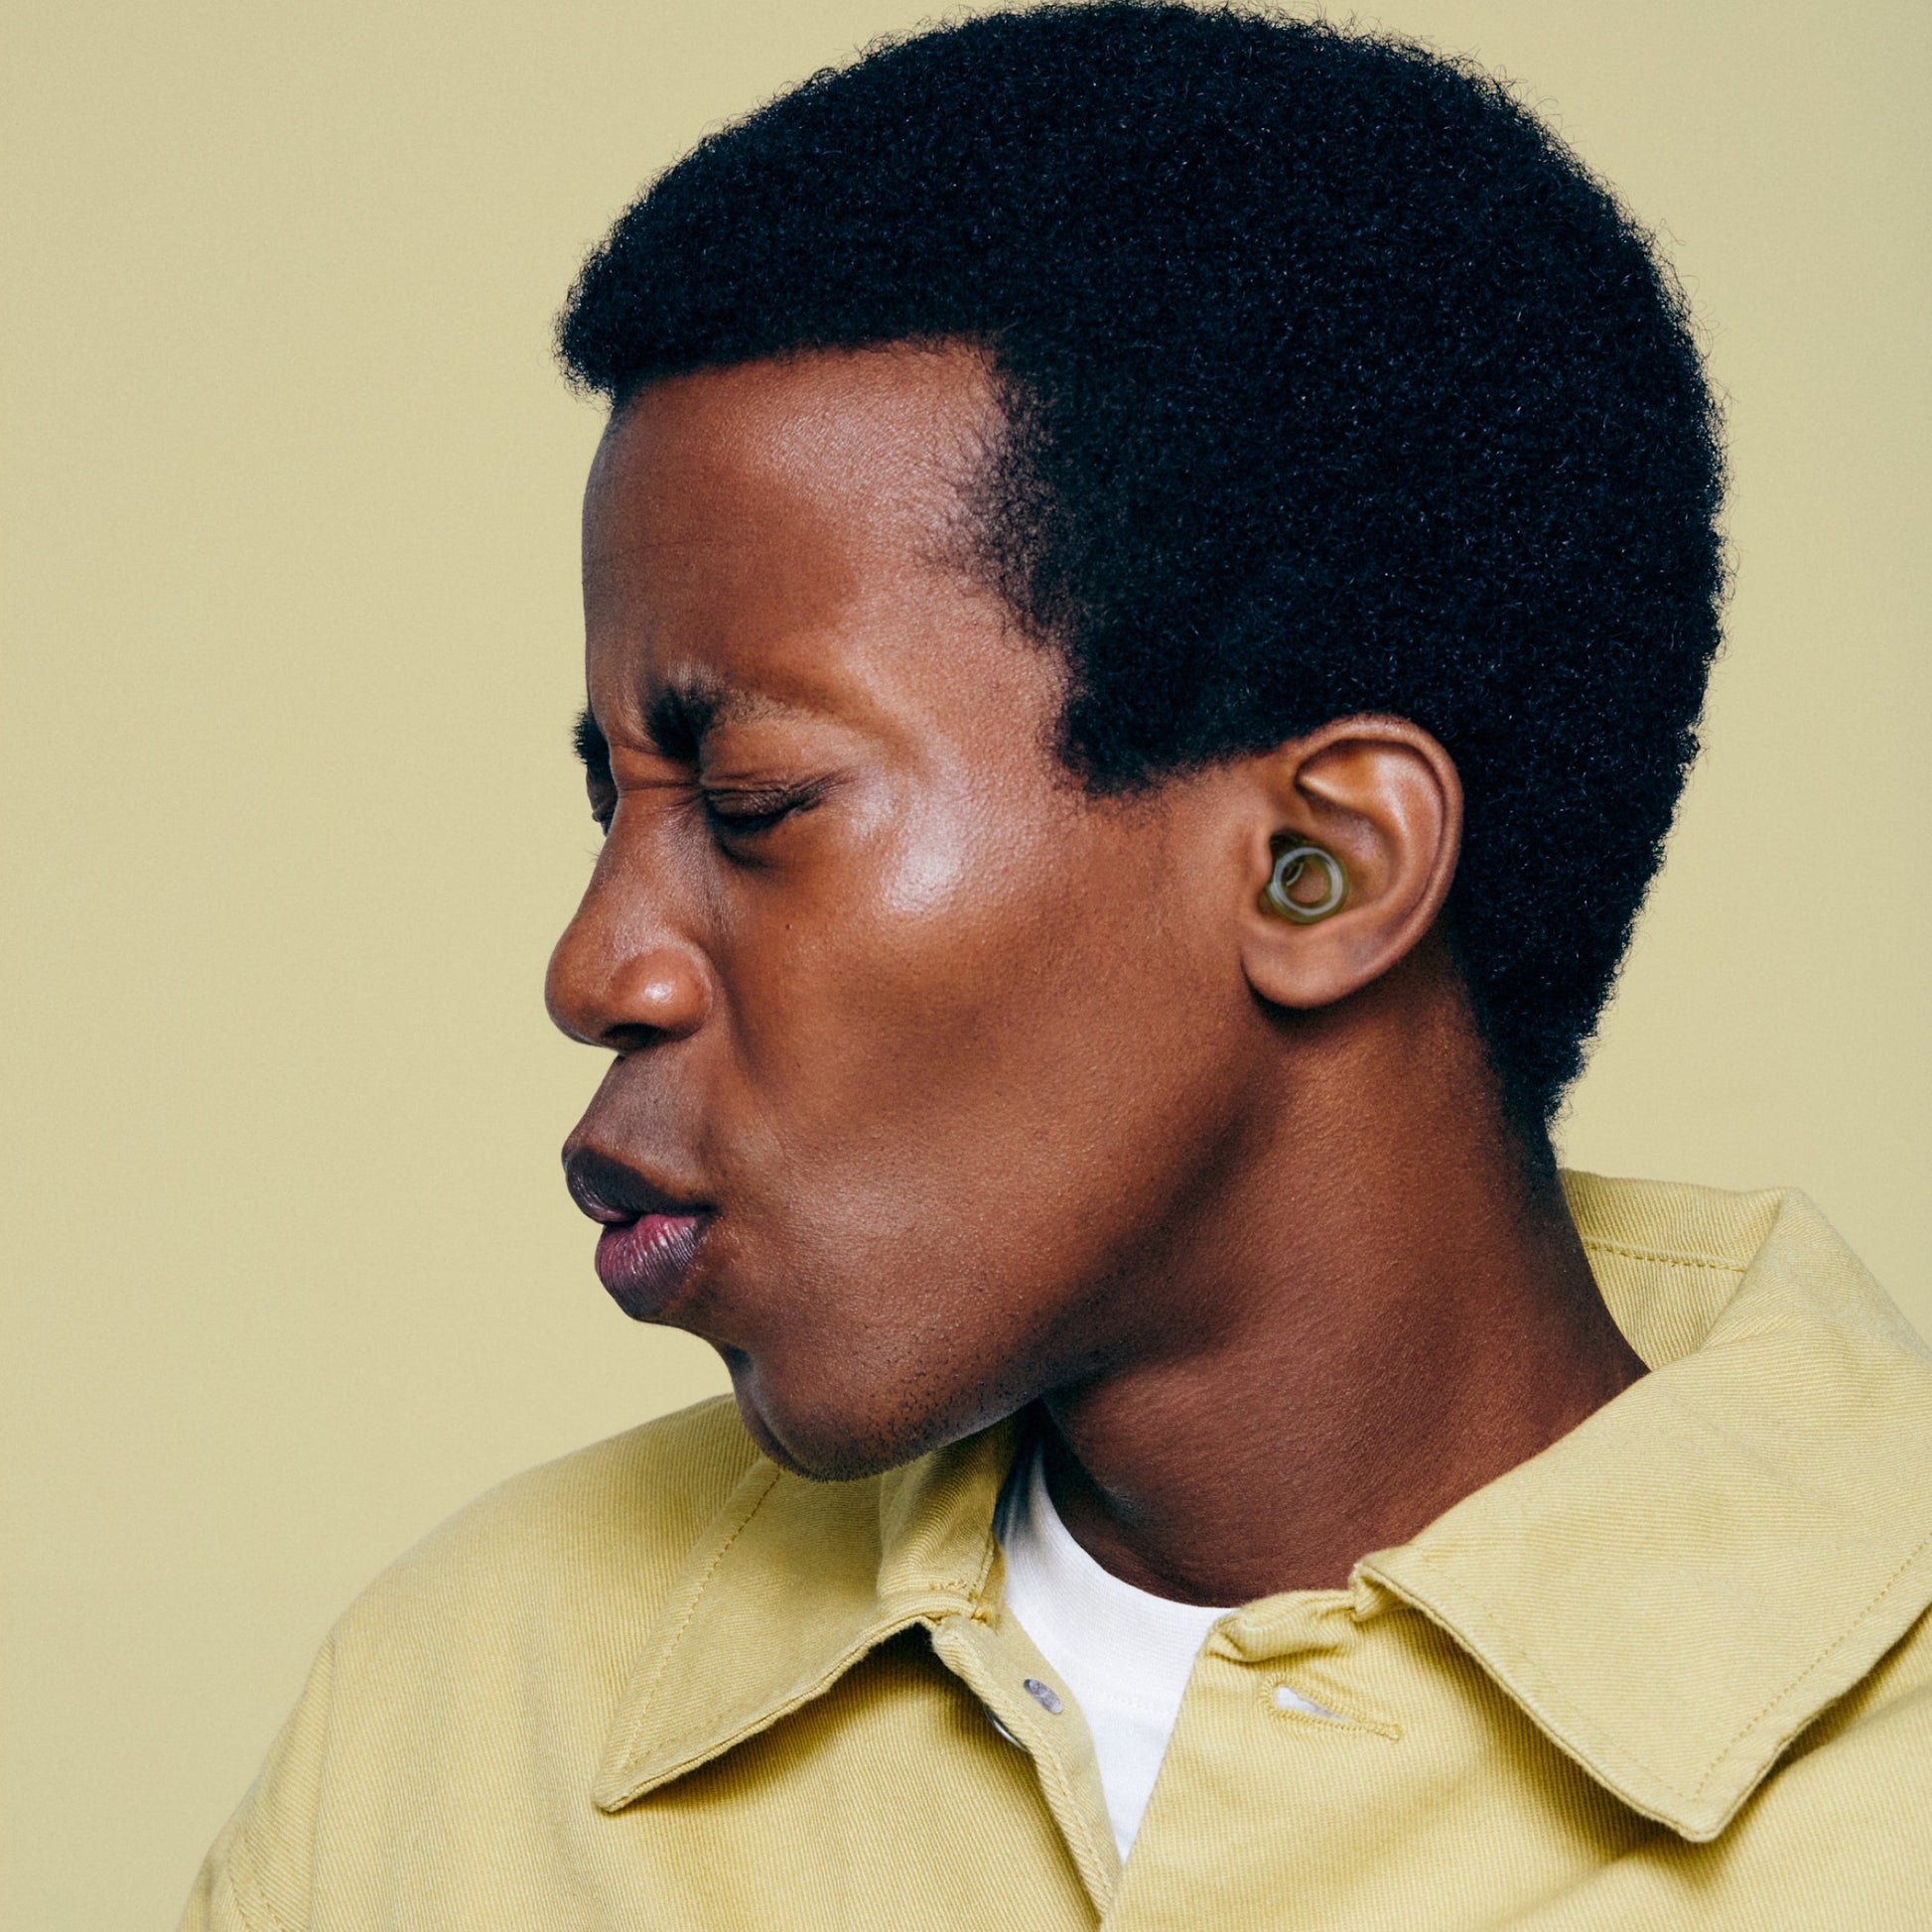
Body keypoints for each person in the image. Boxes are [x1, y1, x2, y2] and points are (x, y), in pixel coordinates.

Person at [180, 6, 1932, 1927]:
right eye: (613, 801)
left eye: (752, 803)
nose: (597, 965)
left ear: (1316, 869)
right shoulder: (452, 1726)